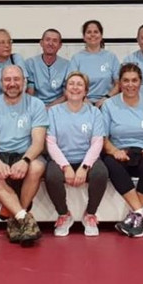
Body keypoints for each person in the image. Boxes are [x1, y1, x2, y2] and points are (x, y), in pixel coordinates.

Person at [0, 65, 46, 246]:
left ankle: (16, 219)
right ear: (1, 83)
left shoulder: (36, 105)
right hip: (0, 155)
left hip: (25, 154)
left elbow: (38, 143)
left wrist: (25, 160)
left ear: (24, 82)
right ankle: (24, 219)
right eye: (8, 80)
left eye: (17, 79)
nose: (12, 84)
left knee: (37, 166)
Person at [45, 72, 109, 237]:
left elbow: (97, 142)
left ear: (86, 91)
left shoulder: (94, 112)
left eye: (79, 84)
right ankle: (64, 214)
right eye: (71, 84)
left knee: (101, 173)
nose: (75, 87)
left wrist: (85, 167)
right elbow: (50, 142)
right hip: (62, 157)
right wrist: (65, 166)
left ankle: (90, 214)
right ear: (65, 90)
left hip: (86, 157)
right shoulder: (53, 112)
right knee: (51, 176)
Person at [101, 63, 143, 238]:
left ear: (140, 82)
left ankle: (135, 215)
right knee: (110, 163)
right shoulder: (109, 105)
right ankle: (142, 212)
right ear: (119, 83)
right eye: (126, 80)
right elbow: (103, 138)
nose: (130, 85)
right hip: (120, 152)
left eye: (134, 80)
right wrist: (113, 151)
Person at [67, 20, 120, 107]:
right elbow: (71, 85)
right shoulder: (76, 58)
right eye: (89, 32)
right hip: (82, 103)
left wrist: (106, 99)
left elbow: (118, 84)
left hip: (108, 102)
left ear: (101, 36)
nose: (92, 35)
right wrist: (85, 101)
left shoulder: (111, 57)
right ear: (84, 37)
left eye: (96, 32)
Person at [24, 28, 69, 107]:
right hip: (36, 105)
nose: (51, 43)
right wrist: (39, 109)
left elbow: (66, 95)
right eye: (47, 40)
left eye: (55, 41)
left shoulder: (67, 65)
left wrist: (49, 107)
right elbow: (30, 92)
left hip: (59, 106)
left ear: (60, 45)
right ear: (41, 43)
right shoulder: (30, 63)